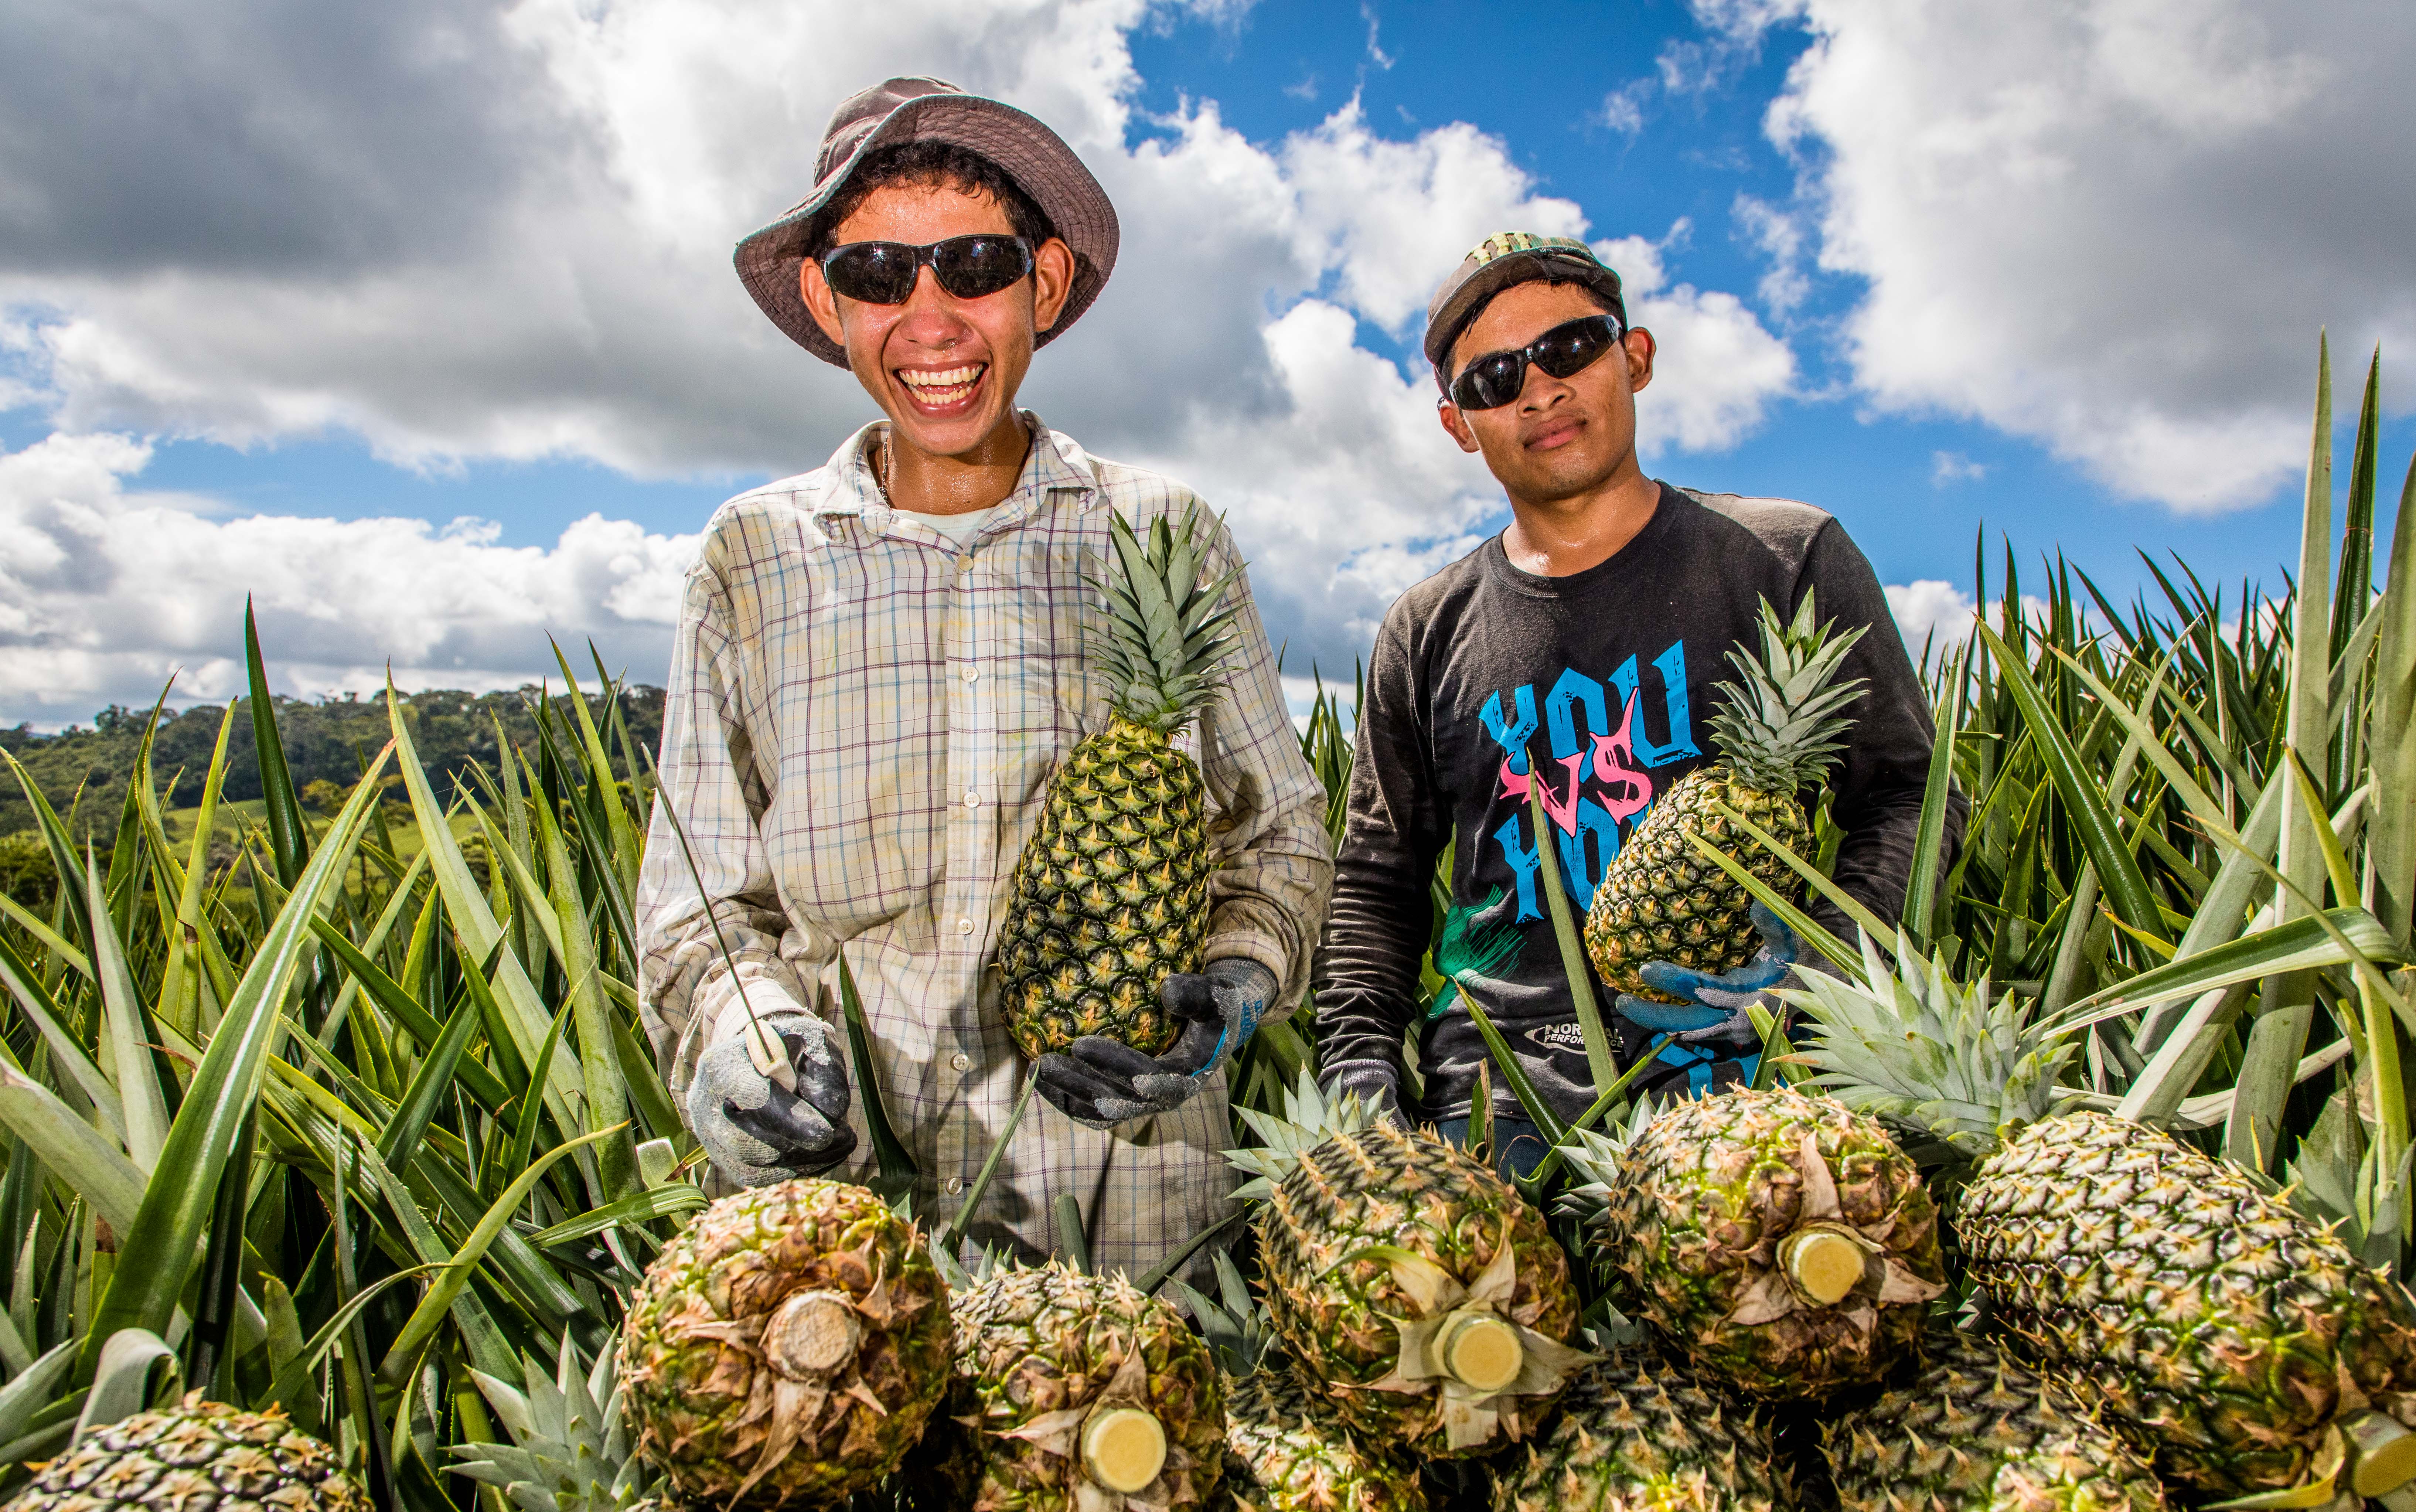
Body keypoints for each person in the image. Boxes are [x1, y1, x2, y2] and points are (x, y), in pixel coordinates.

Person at [636, 78, 1330, 1278]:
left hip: (1127, 1226)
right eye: (875, 276)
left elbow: (1281, 838)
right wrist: (744, 1037)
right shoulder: (752, 556)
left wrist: (1235, 981)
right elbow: (697, 901)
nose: (932, 319)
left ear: (1043, 285)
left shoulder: (1166, 536)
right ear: (825, 299)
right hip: (845, 1234)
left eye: (973, 265)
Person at [1314, 232, 1960, 1175]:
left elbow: (1907, 795)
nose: (1540, 390)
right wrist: (1362, 1062)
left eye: (1571, 348)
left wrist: (1819, 979)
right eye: (1495, 378)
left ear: (1637, 356)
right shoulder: (1425, 627)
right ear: (1460, 424)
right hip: (1496, 1110)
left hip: (1749, 1086)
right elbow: (1379, 879)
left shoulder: (1786, 557)